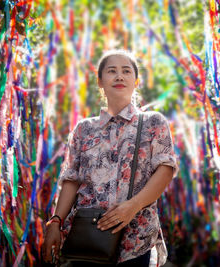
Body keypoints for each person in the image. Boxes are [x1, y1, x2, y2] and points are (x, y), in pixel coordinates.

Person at [42, 49, 178, 266]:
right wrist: (56, 221)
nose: (119, 76)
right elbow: (71, 179)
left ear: (136, 81)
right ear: (100, 81)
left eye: (126, 71)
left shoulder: (153, 122)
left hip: (135, 236)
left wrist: (133, 206)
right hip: (86, 235)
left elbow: (165, 169)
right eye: (111, 71)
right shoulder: (84, 129)